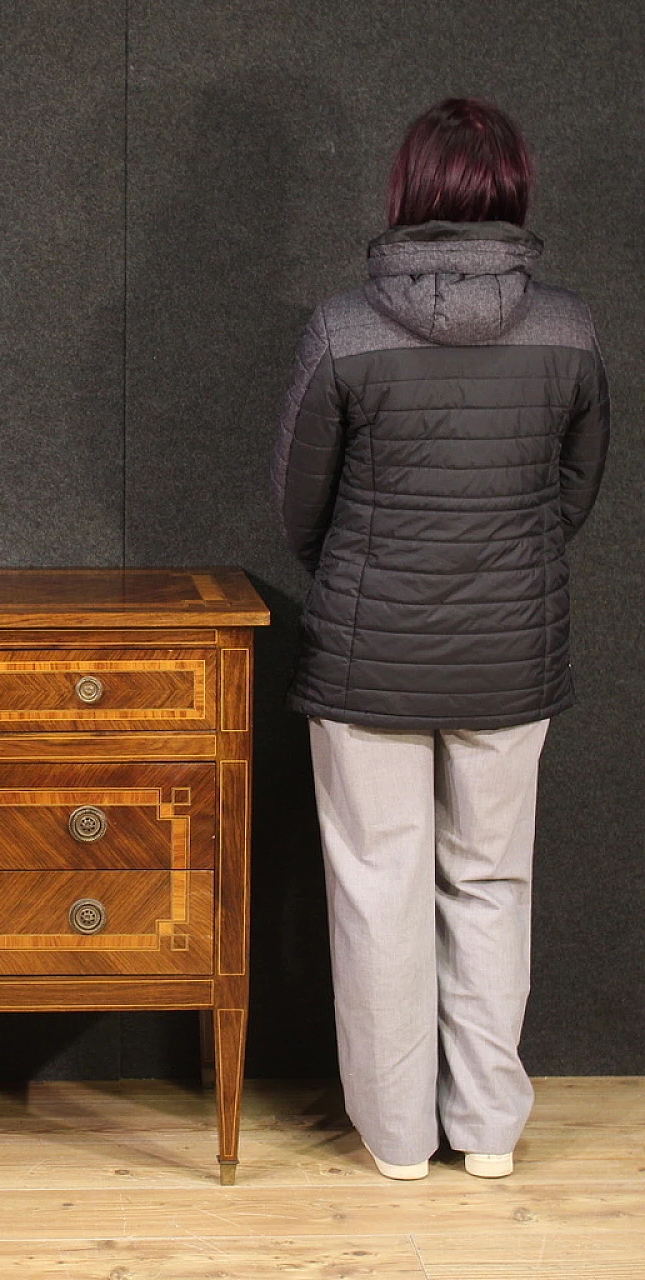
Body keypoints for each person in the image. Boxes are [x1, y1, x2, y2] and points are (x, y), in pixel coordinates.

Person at [270, 98, 610, 1180]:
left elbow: (297, 505)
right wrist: (503, 557)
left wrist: (374, 567)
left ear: (406, 190)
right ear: (512, 188)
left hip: (365, 653)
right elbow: (571, 489)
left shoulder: (341, 328)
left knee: (379, 887)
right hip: (510, 656)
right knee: (490, 881)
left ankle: (397, 1141)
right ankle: (488, 1135)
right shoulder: (567, 327)